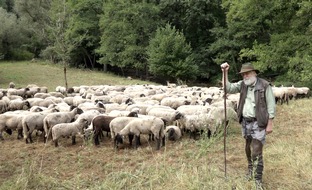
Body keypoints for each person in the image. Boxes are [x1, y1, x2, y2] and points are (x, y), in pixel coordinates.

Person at [221, 62, 276, 189]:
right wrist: (225, 72)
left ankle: (258, 180)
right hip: (245, 121)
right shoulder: (242, 85)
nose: (245, 76)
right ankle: (250, 171)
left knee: (257, 150)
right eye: (243, 74)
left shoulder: (264, 85)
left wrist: (270, 123)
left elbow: (271, 105)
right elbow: (227, 88)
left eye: (247, 73)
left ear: (254, 73)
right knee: (247, 147)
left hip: (259, 122)